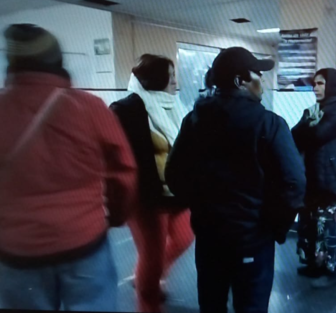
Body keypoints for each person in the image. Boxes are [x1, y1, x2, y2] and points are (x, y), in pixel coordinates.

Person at [0, 24, 137, 311]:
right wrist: (114, 217)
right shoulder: (89, 107)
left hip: (17, 250)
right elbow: (124, 172)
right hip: (83, 240)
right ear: (57, 61)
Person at [165, 47, 306, 313]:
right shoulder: (269, 124)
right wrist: (274, 227)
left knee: (211, 304)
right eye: (258, 75)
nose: (262, 81)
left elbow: (174, 174)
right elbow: (294, 183)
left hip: (209, 239)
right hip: (252, 239)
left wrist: (201, 210)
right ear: (240, 81)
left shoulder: (194, 121)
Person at [110, 54, 194, 313]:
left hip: (176, 194)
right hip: (146, 198)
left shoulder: (176, 105)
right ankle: (148, 302)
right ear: (155, 77)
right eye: (170, 75)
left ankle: (153, 275)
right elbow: (116, 156)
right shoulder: (126, 109)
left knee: (184, 237)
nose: (174, 81)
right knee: (152, 256)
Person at [292, 68, 336, 288]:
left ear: (331, 85)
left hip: (332, 177)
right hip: (313, 175)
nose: (316, 88)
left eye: (320, 83)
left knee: (328, 222)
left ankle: (328, 264)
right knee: (310, 221)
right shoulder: (316, 110)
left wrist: (308, 126)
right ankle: (312, 261)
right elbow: (294, 136)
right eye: (314, 84)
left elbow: (320, 134)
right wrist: (309, 126)